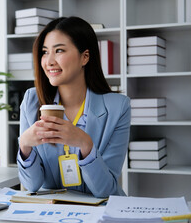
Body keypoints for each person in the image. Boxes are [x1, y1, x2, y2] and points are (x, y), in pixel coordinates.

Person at [17, 16, 131, 198]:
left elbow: (105, 190)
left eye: (59, 50)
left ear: (85, 57)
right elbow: (32, 185)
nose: (49, 61)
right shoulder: (32, 100)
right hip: (52, 212)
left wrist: (85, 145)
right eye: (45, 52)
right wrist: (24, 145)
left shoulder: (118, 107)